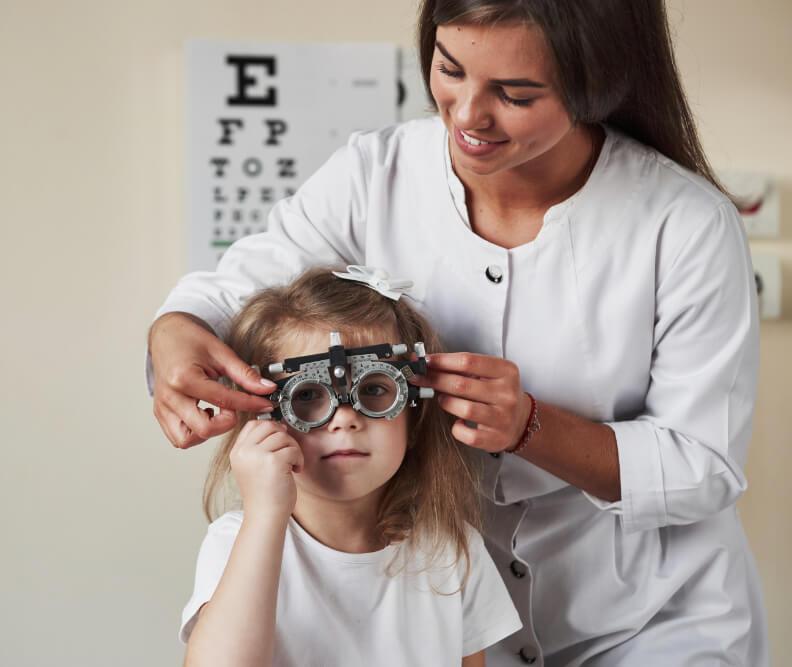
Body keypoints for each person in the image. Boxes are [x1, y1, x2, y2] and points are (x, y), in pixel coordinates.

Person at [149, 0, 769, 664]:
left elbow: (701, 466)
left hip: (651, 621)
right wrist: (174, 331)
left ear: (596, 83)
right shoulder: (374, 175)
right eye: (449, 70)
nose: (468, 114)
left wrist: (531, 426)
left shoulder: (686, 225)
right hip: (469, 621)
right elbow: (230, 294)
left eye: (515, 94)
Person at [179, 267, 523, 666]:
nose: (344, 419)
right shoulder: (240, 540)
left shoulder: (452, 549)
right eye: (307, 395)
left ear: (413, 420)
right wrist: (265, 516)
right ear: (264, 419)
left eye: (374, 389)